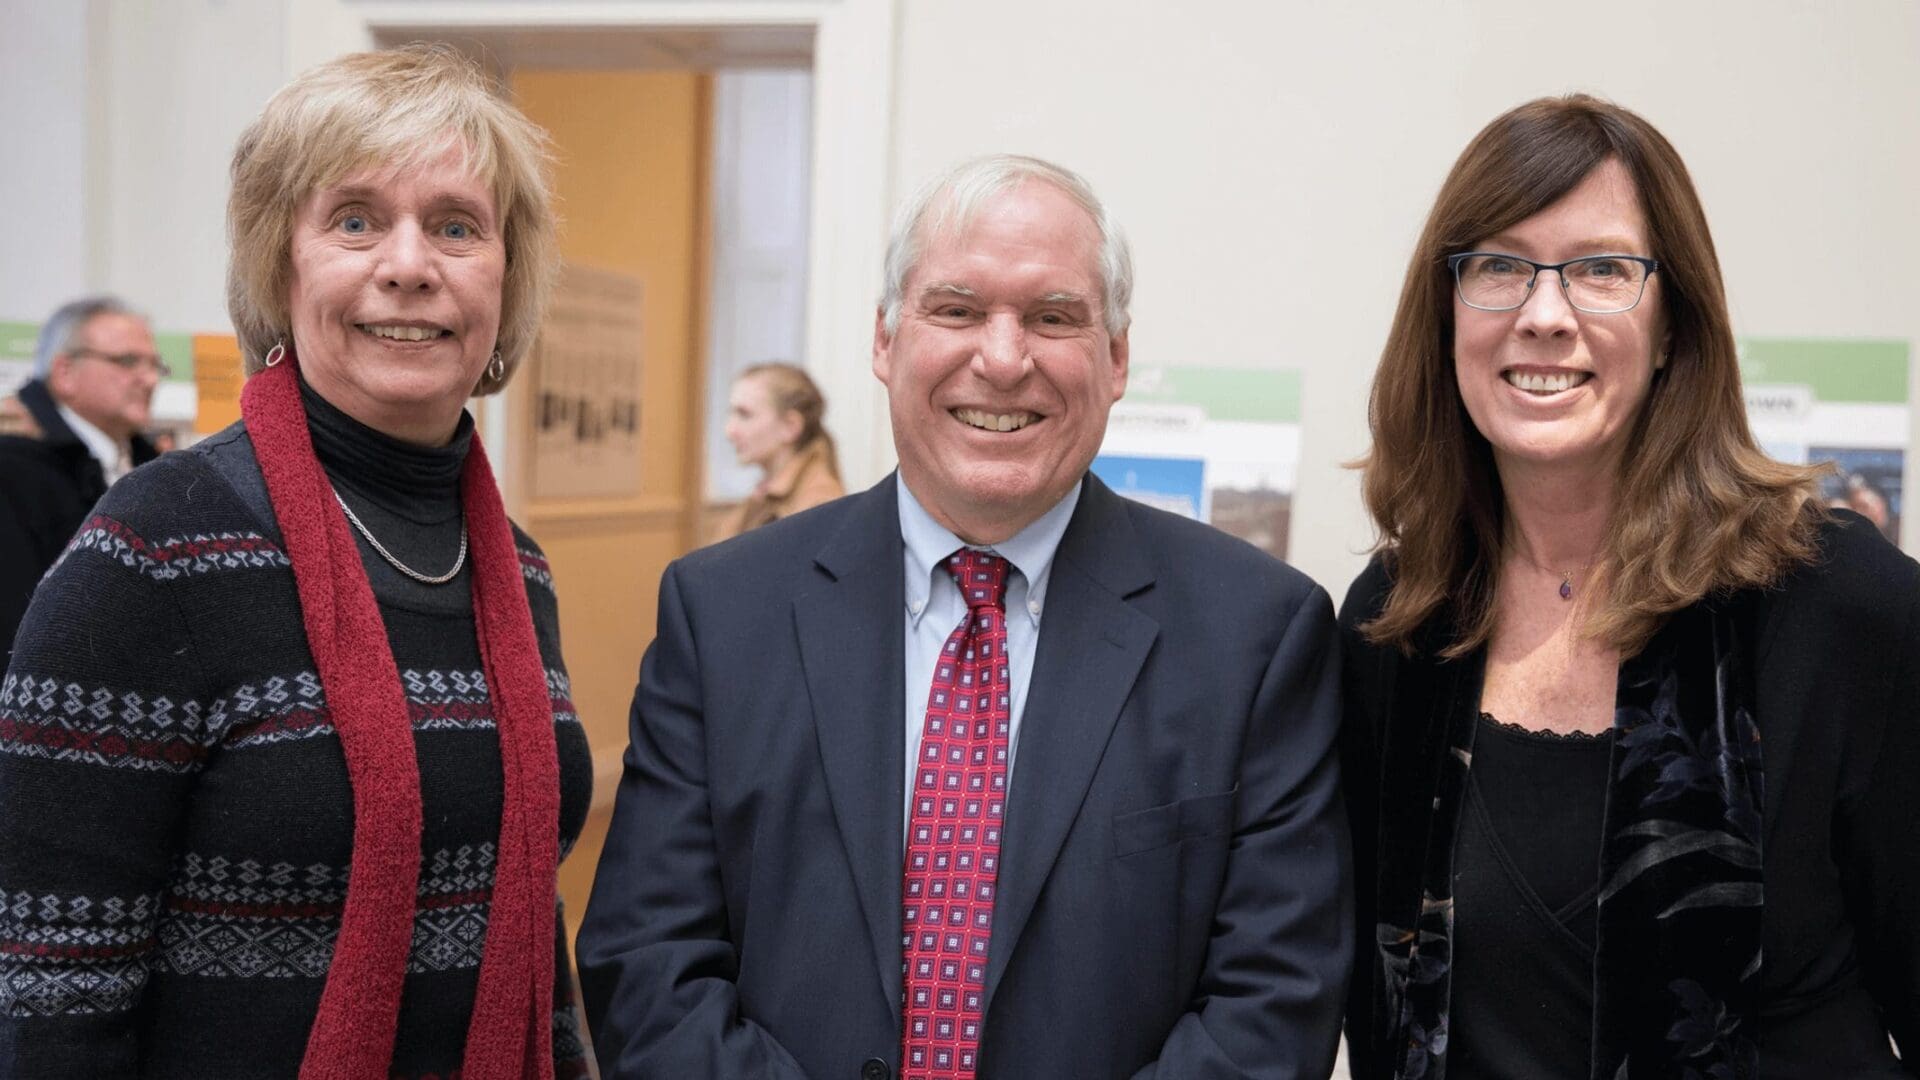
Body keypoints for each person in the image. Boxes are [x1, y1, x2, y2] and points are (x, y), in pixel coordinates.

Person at [577, 154, 1351, 1079]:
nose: (1003, 357)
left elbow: (1276, 1002)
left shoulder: (1258, 633)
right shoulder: (722, 614)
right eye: (956, 309)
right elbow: (646, 965)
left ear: (1115, 361)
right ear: (885, 340)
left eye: (1053, 318)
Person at [0, 45, 595, 1079]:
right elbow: (49, 997)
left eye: (457, 226)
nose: (410, 264)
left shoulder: (516, 569)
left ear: (507, 277)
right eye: (356, 220)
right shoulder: (155, 549)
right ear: (283, 264)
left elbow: (526, 916)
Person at [1339, 94, 1919, 1079]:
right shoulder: (1399, 619)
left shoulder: (1838, 604)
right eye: (1498, 266)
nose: (1545, 314)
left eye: (1603, 269)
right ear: (1447, 317)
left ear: (1671, 331)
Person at [0, 296, 162, 657]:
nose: (149, 379)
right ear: (64, 372)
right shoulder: (12, 472)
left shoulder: (158, 472)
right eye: (127, 361)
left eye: (156, 365)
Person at [712, 361, 845, 541]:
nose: (729, 431)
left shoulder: (820, 503)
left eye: (744, 414)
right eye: (732, 413)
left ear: (790, 426)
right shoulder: (764, 495)